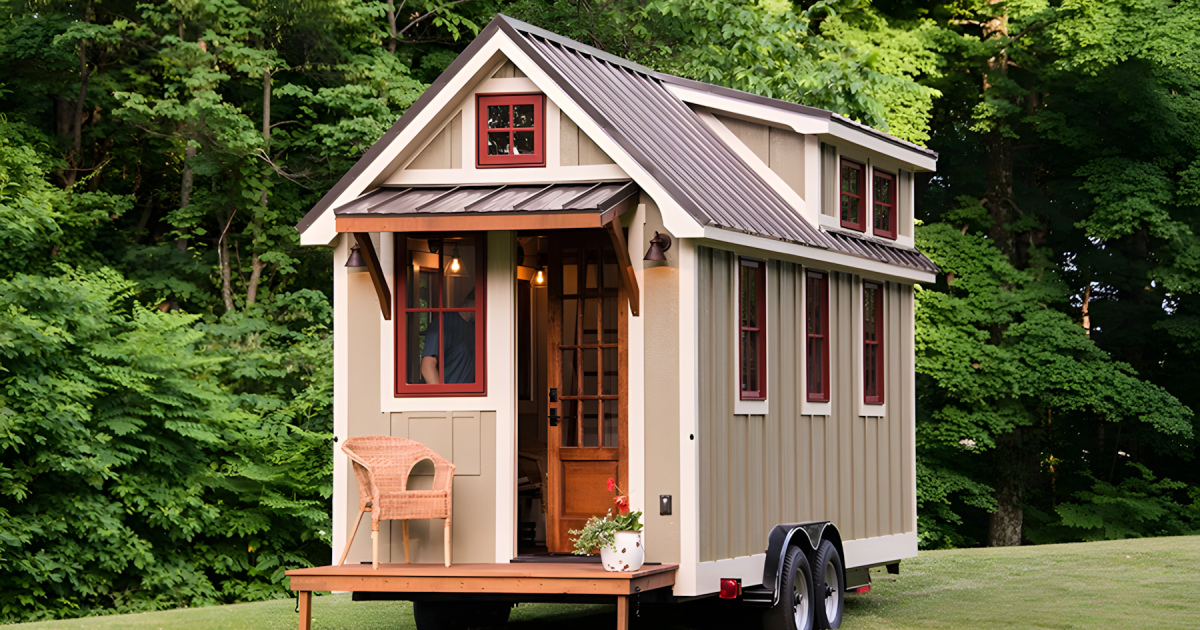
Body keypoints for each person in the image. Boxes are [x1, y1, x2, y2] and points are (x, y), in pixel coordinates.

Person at [420, 290, 475, 384]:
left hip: (472, 396)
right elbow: (427, 366)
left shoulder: (477, 327)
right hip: (451, 395)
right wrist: (442, 397)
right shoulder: (443, 323)